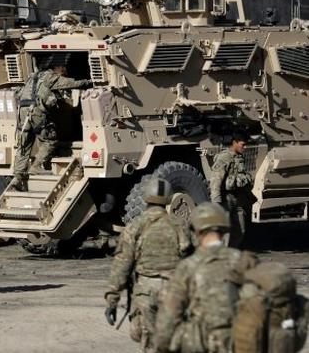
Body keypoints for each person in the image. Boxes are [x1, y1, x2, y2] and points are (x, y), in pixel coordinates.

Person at [156, 202, 259, 353]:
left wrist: (162, 345)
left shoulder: (188, 266)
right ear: (224, 230)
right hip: (240, 341)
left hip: (200, 342)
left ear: (197, 231)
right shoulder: (243, 261)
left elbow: (170, 315)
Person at [104, 177, 192, 353]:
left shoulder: (136, 226)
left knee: (148, 341)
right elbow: (191, 258)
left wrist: (112, 300)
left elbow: (122, 265)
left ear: (145, 197)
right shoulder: (180, 225)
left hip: (146, 290)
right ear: (168, 198)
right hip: (175, 290)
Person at [11, 64, 91, 191]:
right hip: (36, 112)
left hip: (23, 111)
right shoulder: (52, 77)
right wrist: (88, 82)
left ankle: (17, 177)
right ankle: (36, 166)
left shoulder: (33, 77)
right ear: (60, 72)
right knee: (50, 140)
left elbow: (18, 93)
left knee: (24, 145)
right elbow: (69, 83)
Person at [209, 131, 253, 248]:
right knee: (224, 233)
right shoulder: (224, 158)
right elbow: (215, 181)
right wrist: (216, 203)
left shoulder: (239, 157)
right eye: (243, 144)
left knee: (240, 230)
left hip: (238, 199)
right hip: (225, 200)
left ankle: (231, 254)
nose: (245, 147)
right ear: (234, 143)